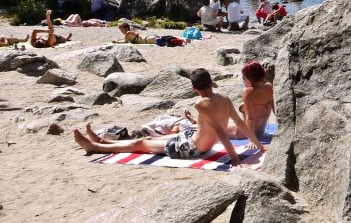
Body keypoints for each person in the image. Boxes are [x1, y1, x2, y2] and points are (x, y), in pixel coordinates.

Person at [72, 68, 264, 165]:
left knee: (140, 144)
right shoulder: (224, 98)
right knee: (147, 138)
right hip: (191, 140)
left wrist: (235, 160)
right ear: (211, 83)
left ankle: (96, 147)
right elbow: (242, 123)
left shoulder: (201, 103)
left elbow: (221, 131)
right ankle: (102, 140)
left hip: (192, 149)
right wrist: (259, 145)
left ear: (194, 89)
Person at [227, 61, 274, 138]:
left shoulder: (248, 93)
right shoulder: (269, 87)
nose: (243, 80)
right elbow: (275, 110)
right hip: (261, 130)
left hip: (245, 133)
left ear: (250, 78)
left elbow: (250, 119)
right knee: (227, 120)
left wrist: (252, 140)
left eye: (244, 78)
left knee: (215, 125)